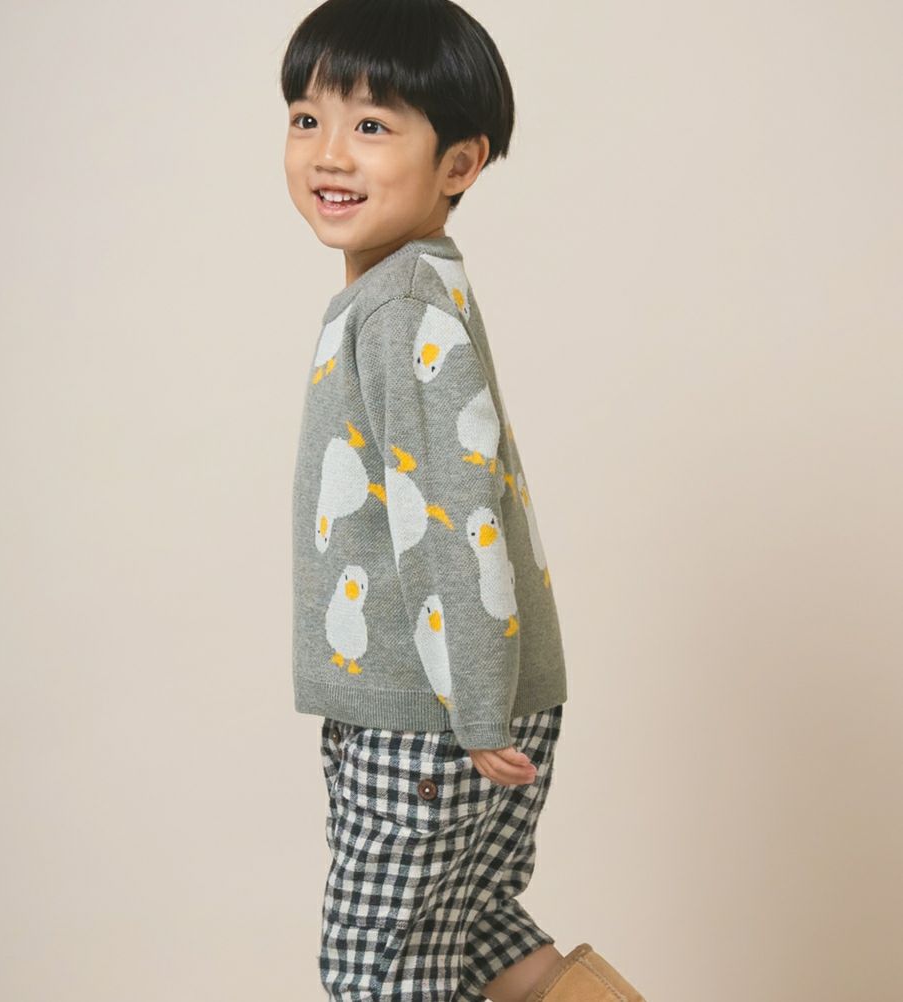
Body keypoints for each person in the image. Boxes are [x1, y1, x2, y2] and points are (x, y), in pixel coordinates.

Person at [281, 2, 646, 999]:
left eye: (371, 124)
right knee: (479, 929)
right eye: (307, 119)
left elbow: (453, 510)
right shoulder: (416, 286)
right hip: (472, 699)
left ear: (459, 163)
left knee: (379, 968)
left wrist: (475, 709)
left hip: (432, 713)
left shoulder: (400, 309)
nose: (329, 153)